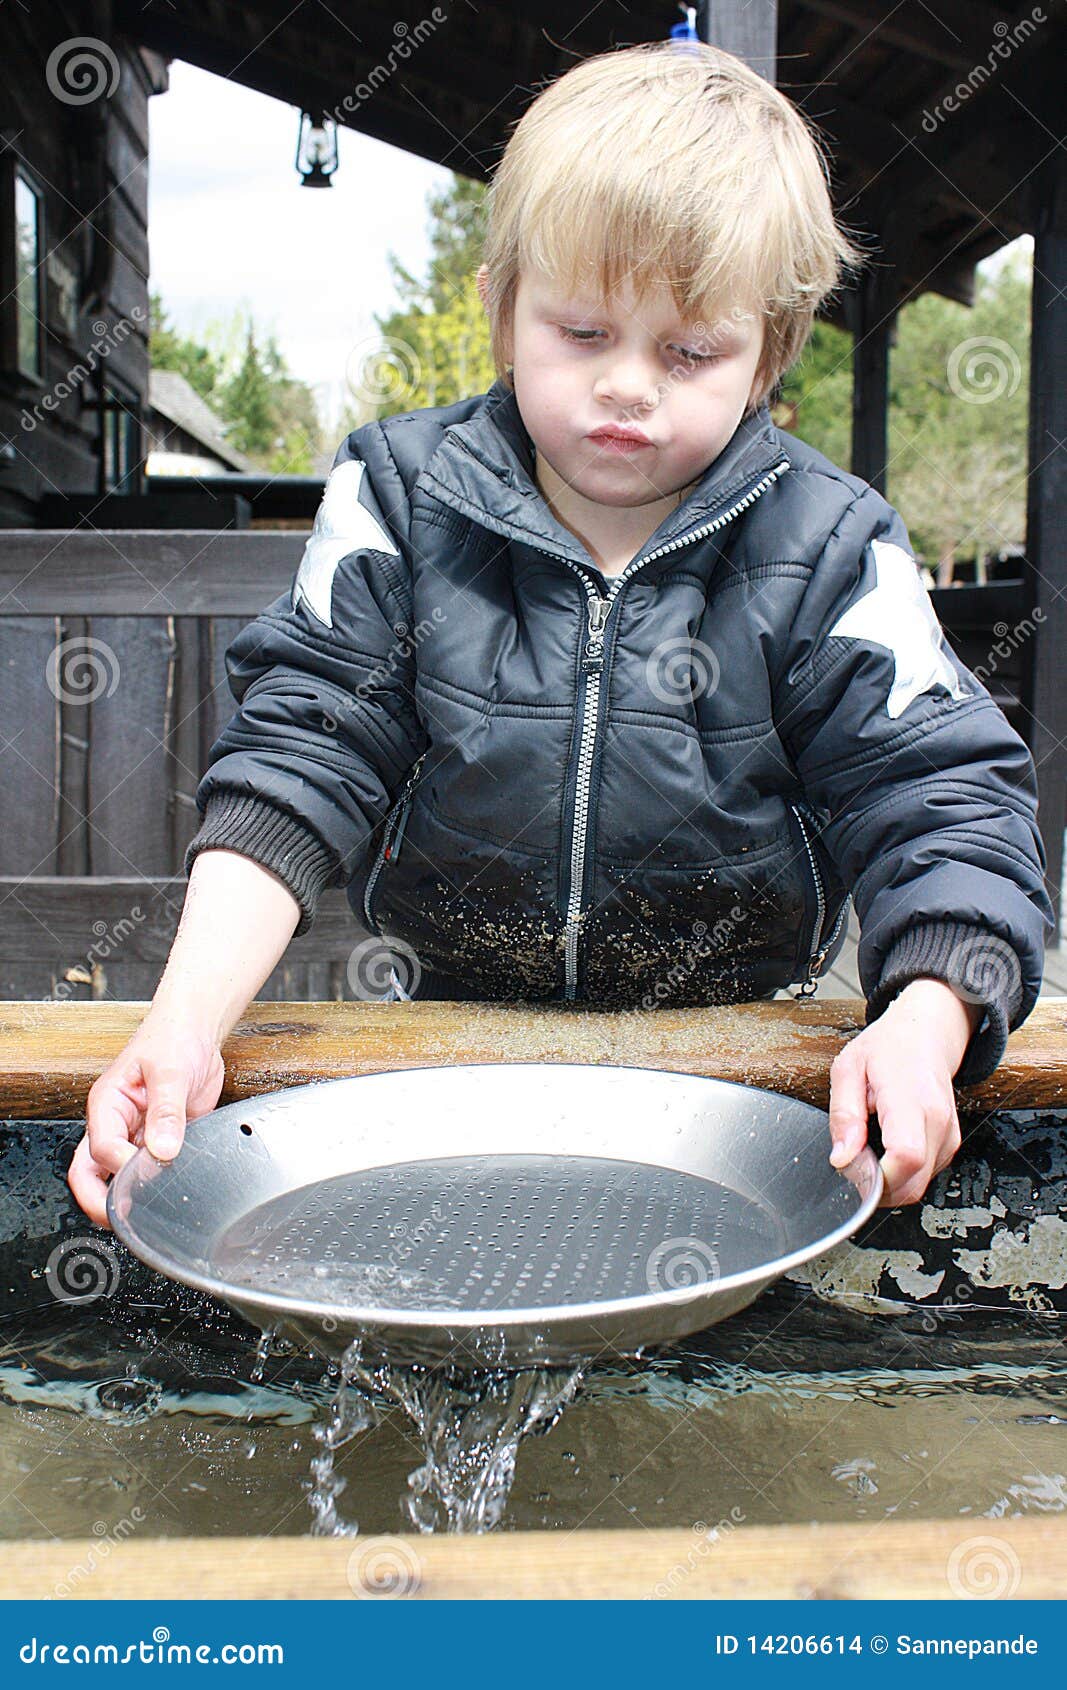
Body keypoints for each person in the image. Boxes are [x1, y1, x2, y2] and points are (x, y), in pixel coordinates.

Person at [69, 41, 1054, 1229]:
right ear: (501, 309)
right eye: (583, 332)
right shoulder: (400, 497)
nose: (629, 385)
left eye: (689, 351)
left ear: (768, 355)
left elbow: (941, 795)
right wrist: (180, 1021)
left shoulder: (828, 544)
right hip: (446, 1036)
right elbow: (299, 756)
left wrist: (927, 1011)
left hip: (738, 1054)